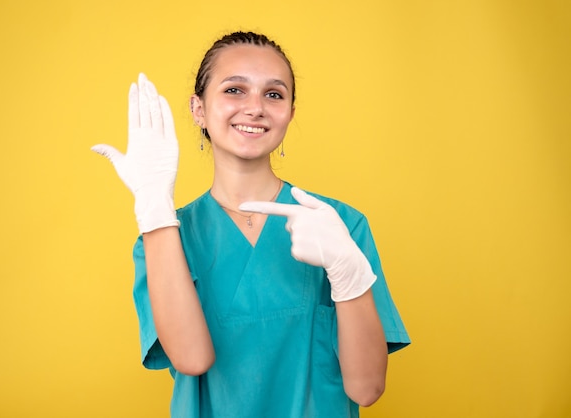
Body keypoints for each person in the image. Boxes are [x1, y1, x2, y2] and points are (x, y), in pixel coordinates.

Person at [93, 31, 410, 418]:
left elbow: (367, 388)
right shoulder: (163, 238)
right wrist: (154, 207)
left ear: (290, 113)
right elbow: (192, 359)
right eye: (234, 90)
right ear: (198, 109)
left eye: (274, 95)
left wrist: (349, 276)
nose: (255, 108)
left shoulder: (341, 226)